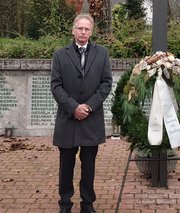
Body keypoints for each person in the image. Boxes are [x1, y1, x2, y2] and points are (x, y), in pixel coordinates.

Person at [51, 13, 112, 213]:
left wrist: (88, 106)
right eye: (80, 28)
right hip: (67, 119)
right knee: (65, 167)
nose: (83, 32)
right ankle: (65, 204)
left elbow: (106, 83)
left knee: (89, 167)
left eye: (87, 29)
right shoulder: (60, 54)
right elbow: (56, 86)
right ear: (73, 30)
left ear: (91, 31)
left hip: (91, 119)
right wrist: (73, 107)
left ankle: (87, 204)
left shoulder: (102, 53)